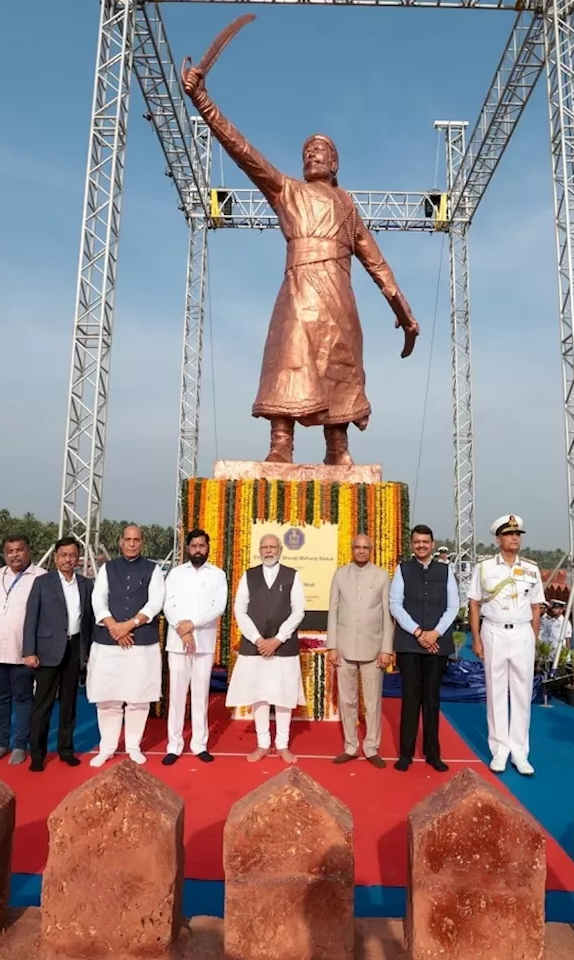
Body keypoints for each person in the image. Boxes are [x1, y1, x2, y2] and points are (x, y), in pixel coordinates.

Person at [180, 65, 420, 465]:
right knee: (287, 360)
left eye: (320, 150)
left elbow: (378, 264)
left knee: (339, 366)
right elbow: (242, 151)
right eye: (307, 150)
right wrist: (202, 100)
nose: (311, 153)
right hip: (298, 290)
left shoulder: (348, 208)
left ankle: (338, 449)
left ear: (335, 163)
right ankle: (280, 443)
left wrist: (405, 315)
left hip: (339, 298)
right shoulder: (286, 190)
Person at [468, 515, 544, 775]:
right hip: (494, 632)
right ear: (498, 539)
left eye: (518, 534)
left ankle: (520, 752)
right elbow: (474, 603)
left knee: (522, 692)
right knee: (496, 691)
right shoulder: (485, 567)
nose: (515, 538)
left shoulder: (532, 569)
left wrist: (533, 639)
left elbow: (536, 607)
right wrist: (476, 638)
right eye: (509, 534)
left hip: (522, 632)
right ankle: (500, 750)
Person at [88, 525, 165, 766]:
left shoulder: (154, 570)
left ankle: (133, 746)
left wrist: (128, 626)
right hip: (108, 642)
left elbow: (155, 604)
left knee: (138, 698)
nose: (132, 544)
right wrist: (114, 626)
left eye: (136, 540)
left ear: (142, 543)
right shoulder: (107, 568)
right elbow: (98, 599)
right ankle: (107, 747)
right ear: (120, 542)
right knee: (107, 698)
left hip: (140, 643)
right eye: (128, 539)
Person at [228, 533, 307, 762]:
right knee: (259, 694)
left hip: (283, 646)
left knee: (284, 695)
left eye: (273, 547)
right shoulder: (249, 576)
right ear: (259, 550)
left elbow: (298, 611)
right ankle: (262, 743)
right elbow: (239, 610)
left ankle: (282, 744)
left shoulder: (292, 575)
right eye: (265, 547)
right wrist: (257, 639)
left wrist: (278, 639)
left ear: (280, 550)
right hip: (255, 647)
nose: (269, 551)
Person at [23, 536, 94, 772]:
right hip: (47, 651)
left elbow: (89, 620)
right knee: (42, 706)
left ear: (78, 558)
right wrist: (29, 651)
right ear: (55, 557)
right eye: (63, 555)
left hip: (74, 649)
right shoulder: (42, 583)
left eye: (72, 555)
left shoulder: (85, 584)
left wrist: (88, 651)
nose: (68, 559)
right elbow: (30, 619)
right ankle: (37, 754)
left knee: (69, 704)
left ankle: (66, 750)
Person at [391, 525, 458, 772]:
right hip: (410, 643)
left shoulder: (446, 570)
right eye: (417, 542)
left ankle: (433, 753)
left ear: (432, 543)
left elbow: (453, 606)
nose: (421, 545)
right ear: (412, 545)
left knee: (432, 699)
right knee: (410, 699)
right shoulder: (403, 569)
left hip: (437, 643)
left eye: (425, 542)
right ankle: (406, 754)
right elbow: (395, 604)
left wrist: (435, 633)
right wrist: (419, 633)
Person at [161, 528, 228, 765]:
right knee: (177, 696)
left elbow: (217, 607)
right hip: (178, 642)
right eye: (193, 546)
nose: (198, 550)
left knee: (201, 696)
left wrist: (192, 624)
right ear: (187, 548)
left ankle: (199, 744)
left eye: (202, 546)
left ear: (208, 548)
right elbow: (168, 604)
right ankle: (174, 745)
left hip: (204, 643)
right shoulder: (176, 574)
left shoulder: (218, 575)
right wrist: (183, 628)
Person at [327, 533, 394, 767]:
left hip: (373, 649)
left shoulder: (382, 576)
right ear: (352, 549)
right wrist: (332, 646)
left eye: (366, 547)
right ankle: (350, 746)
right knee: (347, 700)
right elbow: (333, 612)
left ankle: (371, 747)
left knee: (373, 702)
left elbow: (388, 615)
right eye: (358, 547)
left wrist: (387, 649)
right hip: (344, 649)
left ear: (371, 549)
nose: (362, 551)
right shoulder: (340, 575)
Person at [0, 535, 43, 765]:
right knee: (0, 699)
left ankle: (20, 744)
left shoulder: (40, 577)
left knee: (23, 699)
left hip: (23, 651)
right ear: (4, 554)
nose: (15, 555)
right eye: (10, 551)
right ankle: (1, 743)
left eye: (20, 550)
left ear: (28, 551)